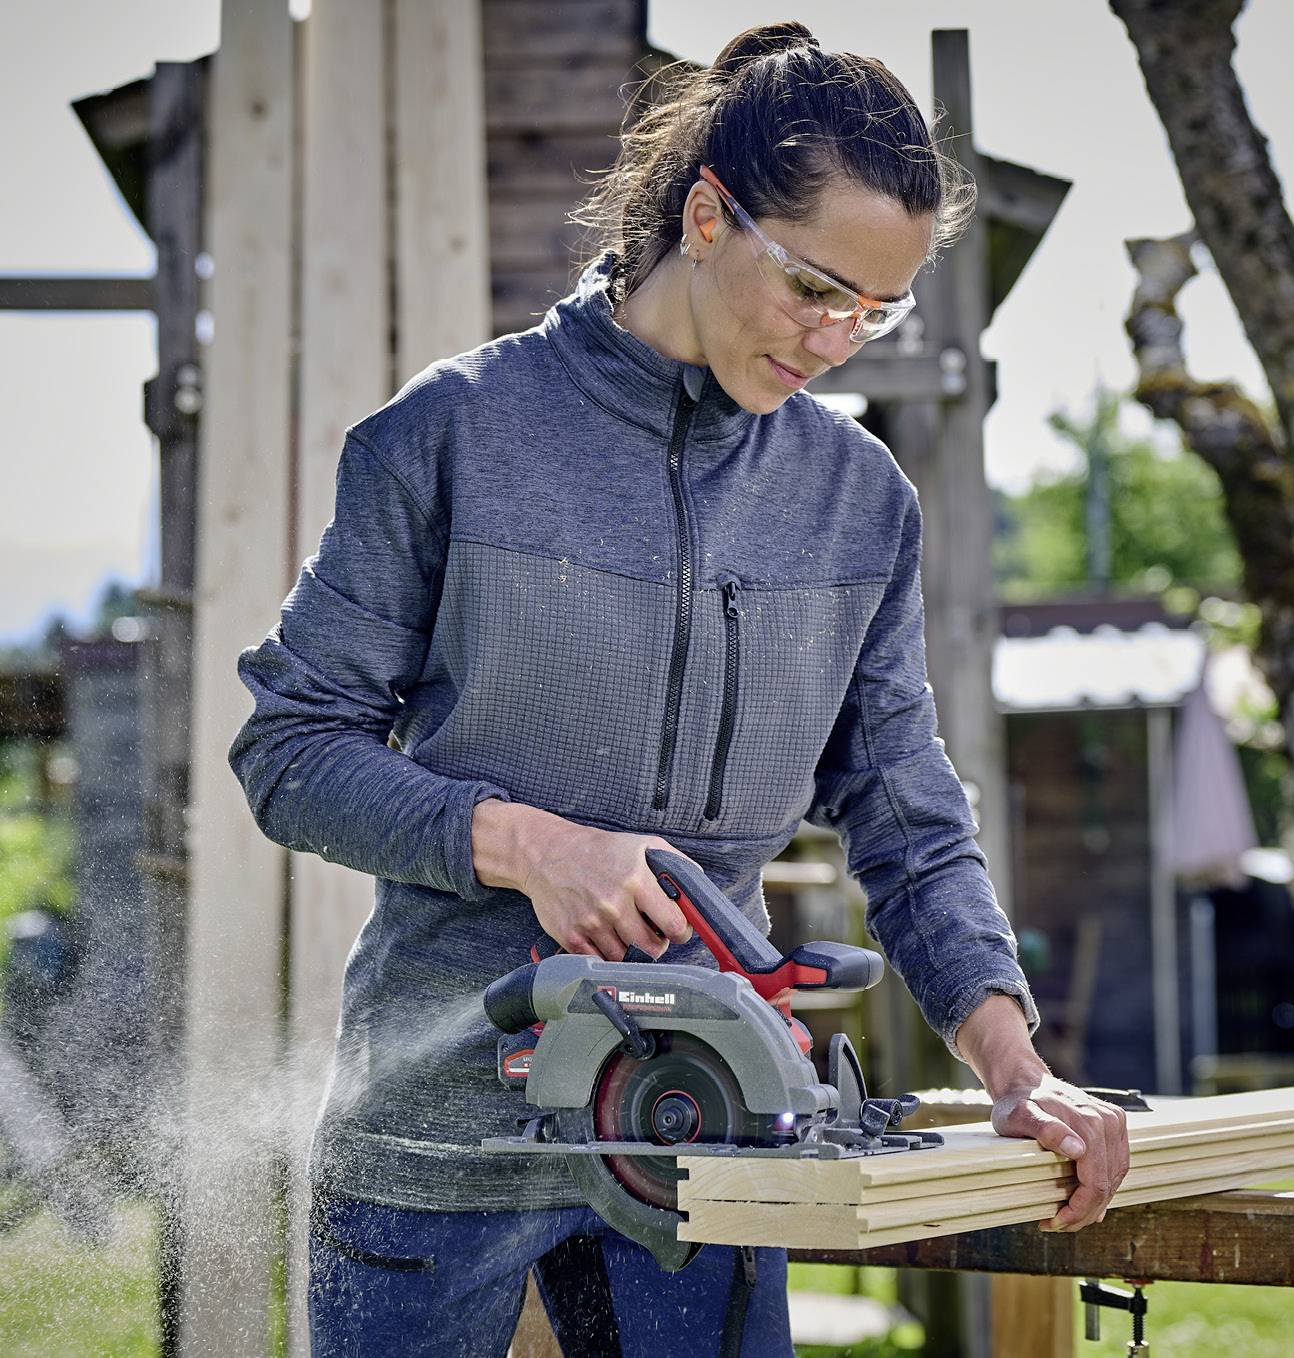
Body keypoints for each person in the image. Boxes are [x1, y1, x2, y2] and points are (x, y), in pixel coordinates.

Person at [230, 21, 1130, 1357]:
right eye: (817, 289)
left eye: (875, 310)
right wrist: (525, 846)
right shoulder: (452, 434)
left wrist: (1016, 1063)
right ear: (707, 215)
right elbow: (290, 750)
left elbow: (904, 810)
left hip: (700, 1129)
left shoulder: (855, 502)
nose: (838, 342)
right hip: (437, 1132)